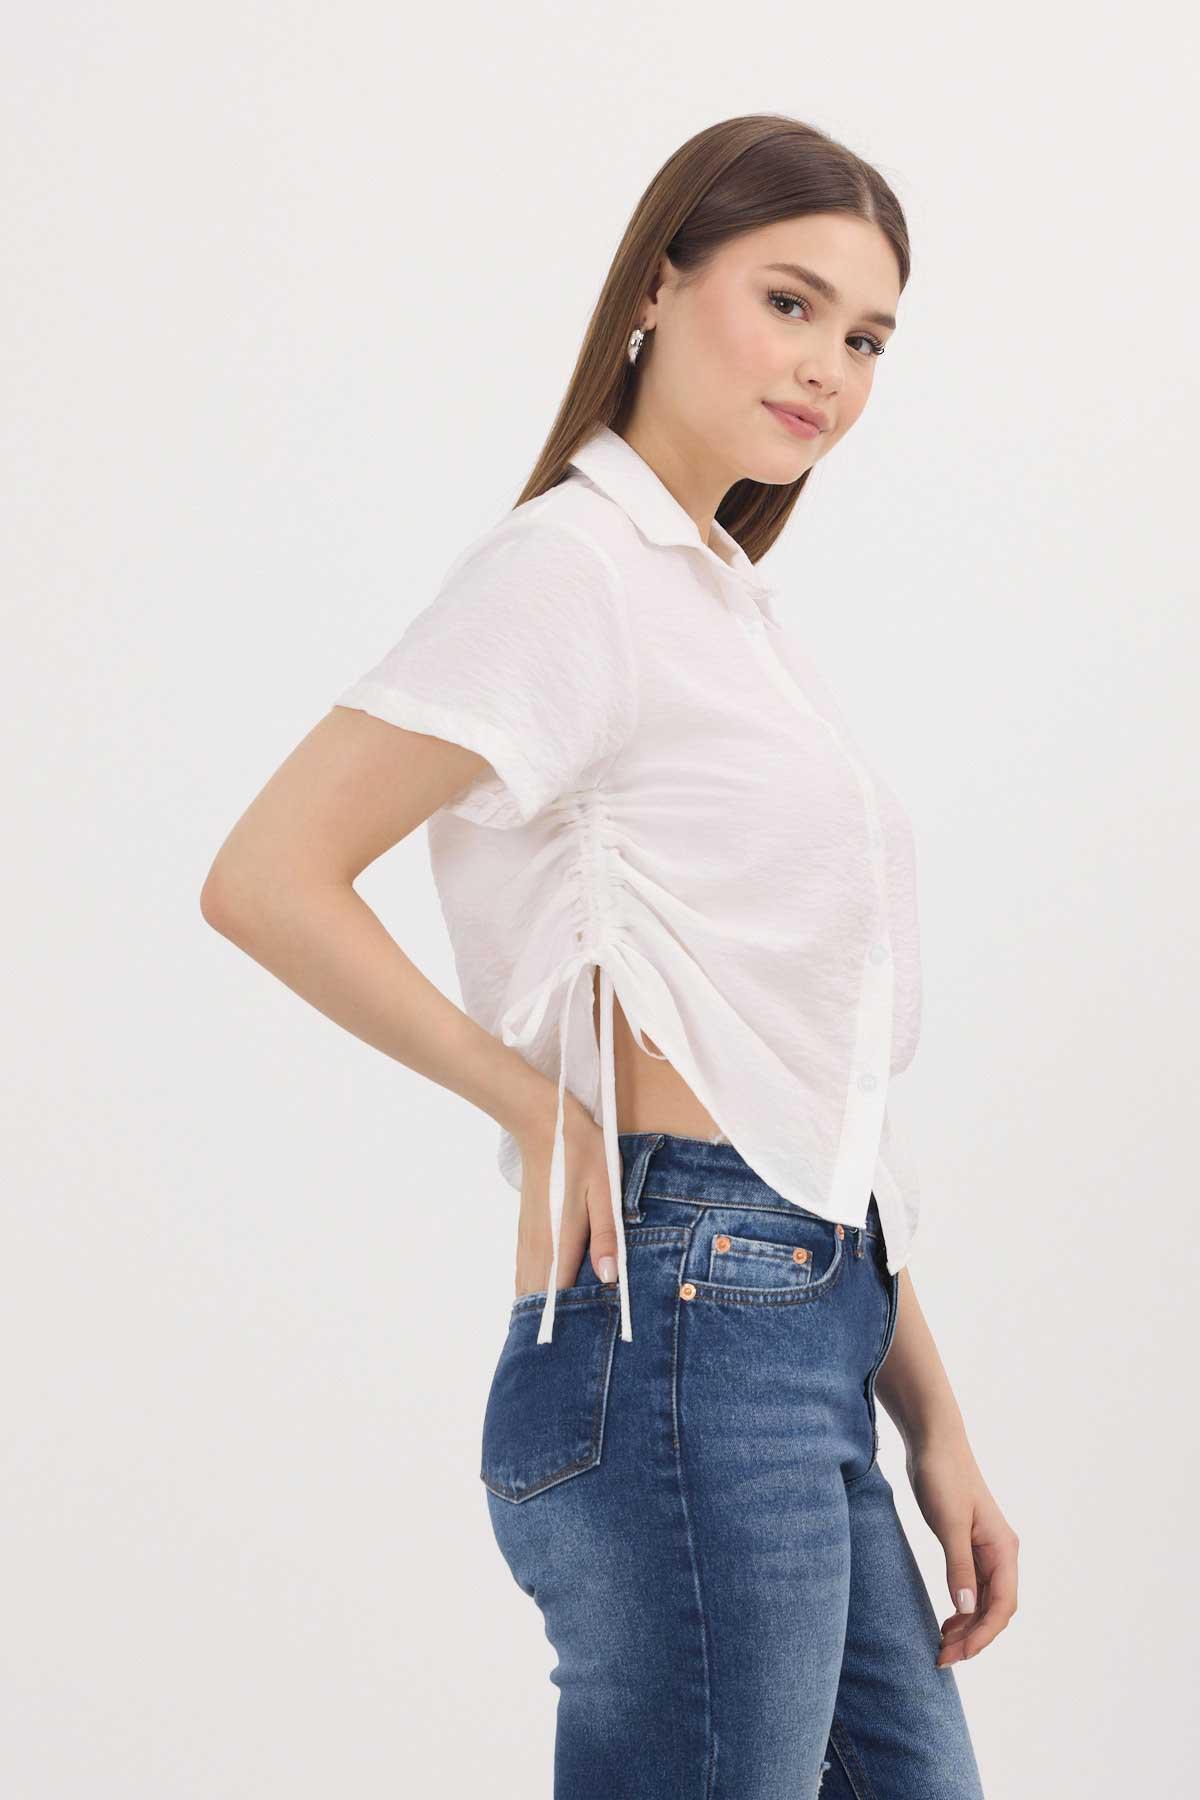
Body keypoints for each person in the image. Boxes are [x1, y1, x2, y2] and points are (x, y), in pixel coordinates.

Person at [201, 113, 1017, 1798]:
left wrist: (931, 1416)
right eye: (789, 303)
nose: (831, 369)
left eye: (868, 338)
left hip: (808, 1327)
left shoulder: (724, 609)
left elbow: (801, 1092)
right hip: (683, 1331)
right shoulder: (571, 570)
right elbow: (269, 876)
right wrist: (537, 1105)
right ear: (658, 283)